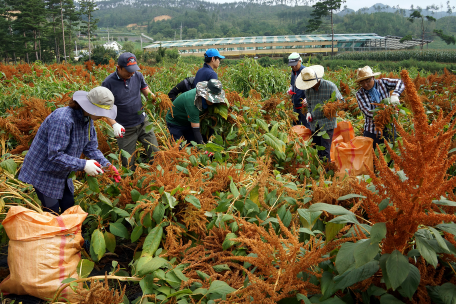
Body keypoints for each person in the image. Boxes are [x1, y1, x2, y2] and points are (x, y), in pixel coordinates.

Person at [18, 87, 121, 214]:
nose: (104, 115)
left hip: (63, 173)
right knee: (53, 212)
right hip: (44, 173)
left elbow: (90, 148)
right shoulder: (63, 119)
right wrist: (83, 164)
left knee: (69, 207)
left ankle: (67, 232)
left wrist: (107, 166)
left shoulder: (87, 120)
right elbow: (55, 155)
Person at [102, 52, 159, 170]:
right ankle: (130, 184)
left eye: (133, 69)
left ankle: (158, 179)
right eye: (128, 70)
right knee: (127, 164)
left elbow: (147, 92)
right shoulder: (108, 83)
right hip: (125, 129)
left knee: (156, 153)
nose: (132, 73)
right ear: (119, 67)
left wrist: (156, 99)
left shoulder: (137, 76)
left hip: (143, 122)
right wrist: (114, 124)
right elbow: (105, 107)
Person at [295, 65, 344, 162]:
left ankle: (326, 174)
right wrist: (309, 112)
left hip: (327, 123)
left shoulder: (329, 86)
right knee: (316, 150)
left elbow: (342, 102)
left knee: (325, 151)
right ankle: (319, 173)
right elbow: (309, 104)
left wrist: (330, 107)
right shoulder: (308, 90)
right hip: (314, 124)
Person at [355, 66, 405, 150]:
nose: (365, 85)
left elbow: (401, 82)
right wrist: (384, 114)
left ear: (373, 77)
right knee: (373, 158)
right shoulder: (359, 93)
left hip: (389, 128)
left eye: (368, 81)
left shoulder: (383, 83)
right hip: (371, 130)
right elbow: (366, 111)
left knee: (390, 155)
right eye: (362, 83)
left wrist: (395, 94)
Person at [166, 79, 226, 145]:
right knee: (178, 148)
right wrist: (203, 148)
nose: (214, 102)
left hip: (188, 122)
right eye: (213, 99)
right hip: (175, 122)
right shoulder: (193, 103)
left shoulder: (207, 100)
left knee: (193, 146)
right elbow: (196, 130)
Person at [287, 52, 309, 128]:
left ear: (300, 61)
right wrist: (290, 89)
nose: (293, 66)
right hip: (295, 104)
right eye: (292, 65)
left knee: (307, 126)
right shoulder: (293, 72)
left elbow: (312, 86)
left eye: (295, 64)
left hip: (304, 105)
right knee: (296, 125)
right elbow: (293, 84)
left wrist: (308, 99)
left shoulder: (305, 72)